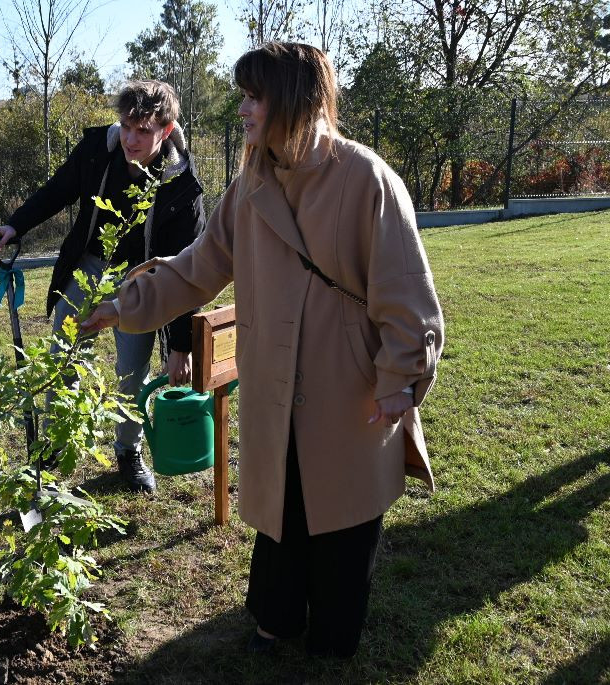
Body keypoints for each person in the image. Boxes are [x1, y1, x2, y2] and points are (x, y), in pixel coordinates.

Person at [82, 42, 444, 657]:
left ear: (294, 101)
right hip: (274, 379)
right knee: (282, 506)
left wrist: (397, 382)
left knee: (345, 515)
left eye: (255, 96)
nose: (243, 109)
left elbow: (405, 294)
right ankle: (275, 622)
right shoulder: (251, 180)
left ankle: (333, 636)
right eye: (243, 95)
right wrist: (125, 306)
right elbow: (197, 268)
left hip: (348, 385)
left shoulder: (367, 178)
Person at [0, 80, 205, 494]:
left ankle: (128, 450)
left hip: (142, 281)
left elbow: (183, 275)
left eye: (143, 131)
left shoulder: (182, 186)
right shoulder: (97, 151)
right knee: (64, 354)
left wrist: (180, 346)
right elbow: (58, 190)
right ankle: (56, 442)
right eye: (125, 126)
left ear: (167, 130)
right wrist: (15, 224)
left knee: (132, 371)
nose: (130, 139)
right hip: (88, 267)